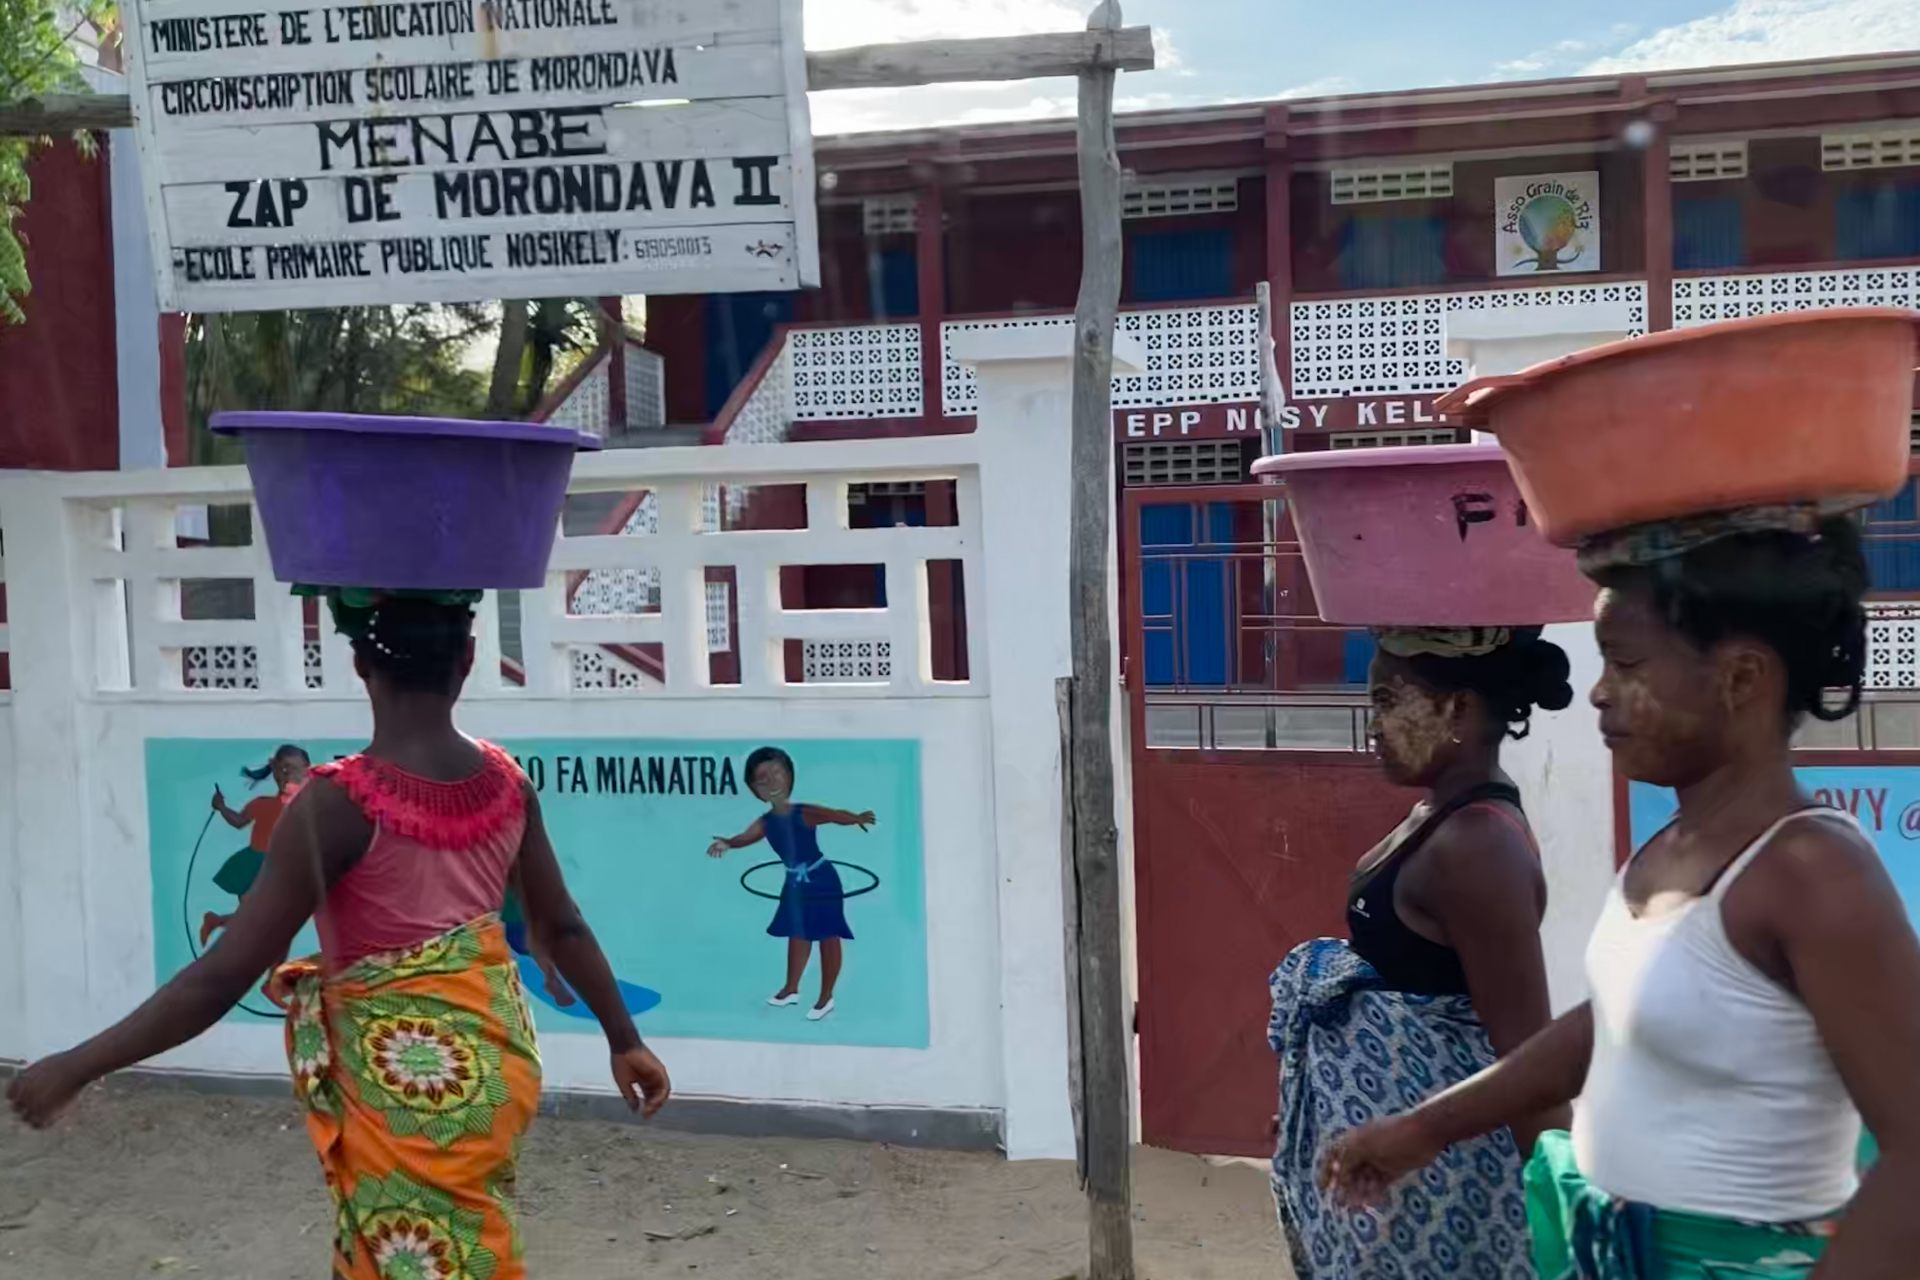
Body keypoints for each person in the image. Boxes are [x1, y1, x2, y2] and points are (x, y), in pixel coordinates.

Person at [8, 588, 671, 1280]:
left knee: (417, 1254)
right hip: (494, 1065)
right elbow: (562, 927)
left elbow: (222, 977)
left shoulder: (337, 804)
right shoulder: (507, 782)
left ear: (360, 664)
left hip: (411, 1083)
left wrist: (76, 1066)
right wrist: (625, 1041)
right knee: (423, 1246)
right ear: (469, 658)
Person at [1322, 513, 1920, 1279]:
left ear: (1741, 679)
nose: (1600, 694)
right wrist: (1427, 1127)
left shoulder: (1813, 872)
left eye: (1627, 664)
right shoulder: (1667, 852)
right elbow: (1609, 1022)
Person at [1270, 626, 1572, 1280]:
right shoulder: (1441, 815)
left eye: (1387, 701)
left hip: (1444, 1189)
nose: (1372, 725)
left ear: (1457, 710)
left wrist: (1568, 1219)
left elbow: (1528, 1057)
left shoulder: (1479, 847)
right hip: (1401, 1183)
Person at [707, 745, 874, 1021]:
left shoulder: (803, 812)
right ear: (754, 789)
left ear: (789, 776)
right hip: (794, 883)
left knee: (828, 936)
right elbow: (745, 838)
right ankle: (791, 988)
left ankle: (825, 997)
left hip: (821, 880)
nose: (772, 782)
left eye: (777, 773)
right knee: (796, 933)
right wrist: (728, 843)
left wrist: (856, 818)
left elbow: (833, 815)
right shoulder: (765, 822)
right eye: (762, 779)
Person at [202, 743, 311, 945]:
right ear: (275, 770)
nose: (288, 775)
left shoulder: (305, 807)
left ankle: (216, 922)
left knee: (266, 921)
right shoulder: (262, 804)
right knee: (254, 919)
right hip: (253, 865)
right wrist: (222, 807)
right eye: (284, 769)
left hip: (281, 868)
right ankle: (218, 925)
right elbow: (239, 821)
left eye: (295, 770)